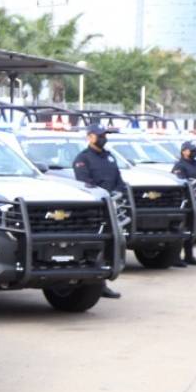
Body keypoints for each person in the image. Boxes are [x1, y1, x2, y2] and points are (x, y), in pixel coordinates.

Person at [71, 124, 125, 299]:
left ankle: (103, 281)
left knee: (112, 245)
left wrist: (118, 193)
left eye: (105, 135)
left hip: (112, 206)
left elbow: (119, 180)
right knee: (96, 246)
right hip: (94, 211)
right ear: (90, 137)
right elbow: (84, 184)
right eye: (100, 135)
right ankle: (96, 284)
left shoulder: (109, 157)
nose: (103, 138)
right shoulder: (83, 158)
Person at [171, 141, 196, 267]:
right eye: (191, 150)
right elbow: (182, 183)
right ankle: (175, 257)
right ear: (184, 151)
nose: (194, 152)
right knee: (182, 229)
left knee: (193, 228)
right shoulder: (180, 166)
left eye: (195, 150)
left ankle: (189, 255)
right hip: (186, 202)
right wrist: (194, 192)